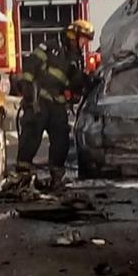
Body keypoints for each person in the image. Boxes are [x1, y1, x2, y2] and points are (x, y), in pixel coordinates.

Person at [17, 19, 95, 190]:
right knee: (32, 133)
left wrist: (85, 82)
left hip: (57, 104)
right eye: (83, 39)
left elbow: (74, 83)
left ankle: (57, 176)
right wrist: (28, 90)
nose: (84, 44)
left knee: (61, 139)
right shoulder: (50, 47)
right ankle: (22, 174)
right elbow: (31, 64)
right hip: (39, 99)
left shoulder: (76, 59)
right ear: (73, 36)